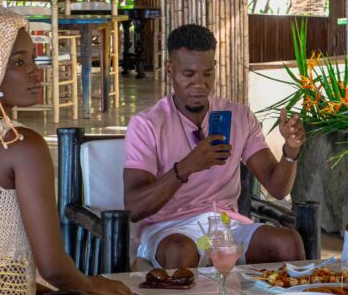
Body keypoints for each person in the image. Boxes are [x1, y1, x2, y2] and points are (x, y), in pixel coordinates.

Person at [0, 8, 155, 295]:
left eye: (33, 59)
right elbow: (53, 266)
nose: (36, 71)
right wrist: (93, 283)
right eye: (17, 62)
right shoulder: (20, 145)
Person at [124, 24, 306, 269]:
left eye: (207, 74)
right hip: (168, 228)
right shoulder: (147, 125)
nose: (199, 84)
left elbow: (277, 188)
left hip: (226, 224)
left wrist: (290, 150)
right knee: (182, 251)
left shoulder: (239, 116)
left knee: (288, 243)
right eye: (188, 75)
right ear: (170, 70)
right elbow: (135, 206)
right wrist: (187, 167)